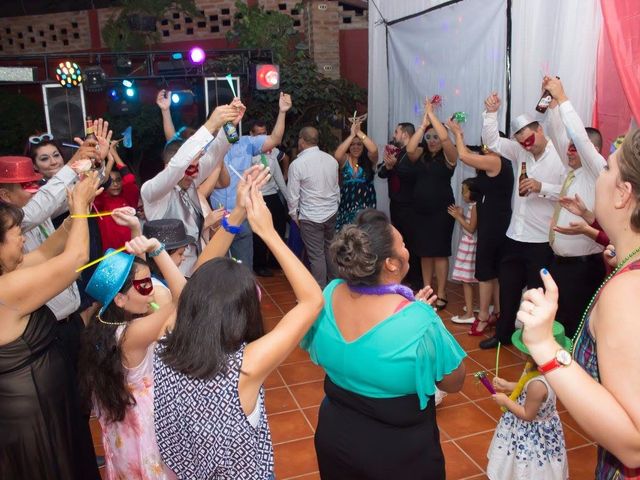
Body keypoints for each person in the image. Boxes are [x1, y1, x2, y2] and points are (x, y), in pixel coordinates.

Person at [153, 167, 324, 479]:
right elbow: (313, 300)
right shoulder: (244, 367)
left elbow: (196, 280)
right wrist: (269, 233)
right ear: (244, 312)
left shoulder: (166, 339)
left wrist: (238, 215)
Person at [301, 208, 466, 479]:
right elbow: (453, 382)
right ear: (390, 263)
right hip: (398, 455)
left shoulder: (329, 294)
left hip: (335, 439)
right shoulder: (419, 319)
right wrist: (425, 321)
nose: (406, 249)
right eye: (402, 245)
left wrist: (413, 314)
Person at [517, 129, 640, 478]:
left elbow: (633, 443)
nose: (597, 175)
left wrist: (543, 344)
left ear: (623, 193)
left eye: (606, 169)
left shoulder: (627, 292)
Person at [0, 173, 101, 479]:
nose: (23, 238)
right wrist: (82, 210)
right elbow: (76, 258)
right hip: (32, 417)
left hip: (46, 402)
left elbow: (46, 252)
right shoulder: (7, 290)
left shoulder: (10, 274)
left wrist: (75, 214)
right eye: (16, 233)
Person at [79, 232, 185, 480]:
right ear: (120, 298)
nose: (151, 292)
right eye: (144, 285)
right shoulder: (133, 333)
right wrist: (157, 249)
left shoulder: (100, 323)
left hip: (122, 429)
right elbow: (185, 299)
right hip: (146, 427)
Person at [479, 92, 564, 349]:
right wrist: (491, 113)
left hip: (540, 241)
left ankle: (535, 340)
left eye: (528, 140)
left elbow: (568, 191)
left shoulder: (559, 154)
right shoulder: (520, 151)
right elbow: (493, 142)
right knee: (508, 289)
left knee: (536, 294)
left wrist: (542, 186)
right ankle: (503, 335)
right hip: (514, 236)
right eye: (521, 143)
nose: (526, 146)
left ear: (539, 130)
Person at [543, 76, 607, 338]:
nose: (568, 151)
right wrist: (552, 105)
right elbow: (560, 135)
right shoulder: (574, 173)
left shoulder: (597, 171)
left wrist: (564, 97)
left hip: (583, 267)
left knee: (576, 330)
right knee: (558, 326)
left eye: (574, 149)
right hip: (560, 264)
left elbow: (578, 138)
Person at [141, 103, 238, 276]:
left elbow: (216, 154)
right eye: (189, 169)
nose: (193, 175)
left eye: (196, 169)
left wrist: (230, 123)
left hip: (198, 268)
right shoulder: (151, 191)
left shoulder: (189, 181)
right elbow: (178, 165)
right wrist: (210, 125)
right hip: (172, 272)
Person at [210, 93, 293, 268]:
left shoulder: (247, 143)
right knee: (218, 269)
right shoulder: (208, 146)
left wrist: (282, 112)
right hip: (216, 220)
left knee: (244, 268)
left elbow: (275, 139)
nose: (229, 126)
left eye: (232, 122)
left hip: (242, 216)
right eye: (225, 122)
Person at [447, 120, 513, 333]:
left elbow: (464, 156)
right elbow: (466, 152)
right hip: (493, 222)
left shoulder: (497, 162)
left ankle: (483, 316)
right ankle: (497, 313)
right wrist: (460, 137)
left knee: (485, 272)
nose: (484, 148)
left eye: (487, 144)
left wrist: (457, 132)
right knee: (493, 272)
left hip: (494, 224)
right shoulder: (496, 162)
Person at [487, 323, 570, 479]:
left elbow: (527, 414)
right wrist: (508, 385)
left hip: (531, 432)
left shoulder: (538, 384)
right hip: (543, 426)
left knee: (528, 465)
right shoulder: (544, 369)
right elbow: (524, 387)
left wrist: (505, 401)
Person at [406, 99, 458, 309]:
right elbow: (409, 149)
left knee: (439, 252)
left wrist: (432, 115)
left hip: (441, 211)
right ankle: (427, 290)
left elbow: (446, 138)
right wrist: (422, 125)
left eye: (435, 136)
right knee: (424, 252)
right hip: (421, 211)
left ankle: (442, 292)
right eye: (429, 137)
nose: (433, 140)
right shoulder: (420, 154)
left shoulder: (449, 156)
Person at [287, 126, 340, 288]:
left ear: (302, 141)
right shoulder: (331, 160)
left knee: (316, 256)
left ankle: (320, 292)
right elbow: (336, 187)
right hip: (331, 213)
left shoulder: (297, 164)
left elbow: (293, 197)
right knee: (330, 251)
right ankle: (335, 288)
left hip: (310, 216)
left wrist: (294, 217)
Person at [378, 122, 423, 290]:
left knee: (412, 243)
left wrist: (394, 166)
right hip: (396, 204)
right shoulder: (396, 152)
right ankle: (404, 276)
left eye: (396, 132)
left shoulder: (415, 152)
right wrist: (388, 166)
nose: (394, 135)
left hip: (411, 205)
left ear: (405, 134)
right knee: (399, 241)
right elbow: (382, 173)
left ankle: (416, 280)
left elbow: (411, 174)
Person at [249, 120, 291, 277]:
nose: (263, 137)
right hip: (257, 196)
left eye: (265, 133)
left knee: (279, 228)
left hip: (272, 196)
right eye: (259, 134)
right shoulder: (248, 152)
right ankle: (259, 265)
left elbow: (279, 177)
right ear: (252, 135)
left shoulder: (272, 151)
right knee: (259, 233)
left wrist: (288, 199)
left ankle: (274, 261)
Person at [333, 118, 378, 231]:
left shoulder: (369, 159)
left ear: (363, 147)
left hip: (366, 208)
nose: (355, 147)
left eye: (359, 144)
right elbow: (337, 155)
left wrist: (359, 132)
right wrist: (351, 135)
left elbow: (373, 149)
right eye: (352, 144)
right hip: (346, 207)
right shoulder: (345, 159)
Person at [93, 143, 141, 250]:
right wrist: (110, 162)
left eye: (118, 180)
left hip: (133, 252)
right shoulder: (101, 201)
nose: (115, 184)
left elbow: (129, 180)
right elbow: (101, 184)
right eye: (111, 181)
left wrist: (114, 153)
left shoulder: (128, 199)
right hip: (111, 256)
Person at [448, 177, 479, 325]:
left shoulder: (475, 207)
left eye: (464, 191)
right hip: (470, 245)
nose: (462, 194)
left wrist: (458, 217)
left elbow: (471, 229)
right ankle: (475, 307)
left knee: (466, 280)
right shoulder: (474, 206)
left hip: (470, 246)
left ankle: (469, 314)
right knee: (473, 280)